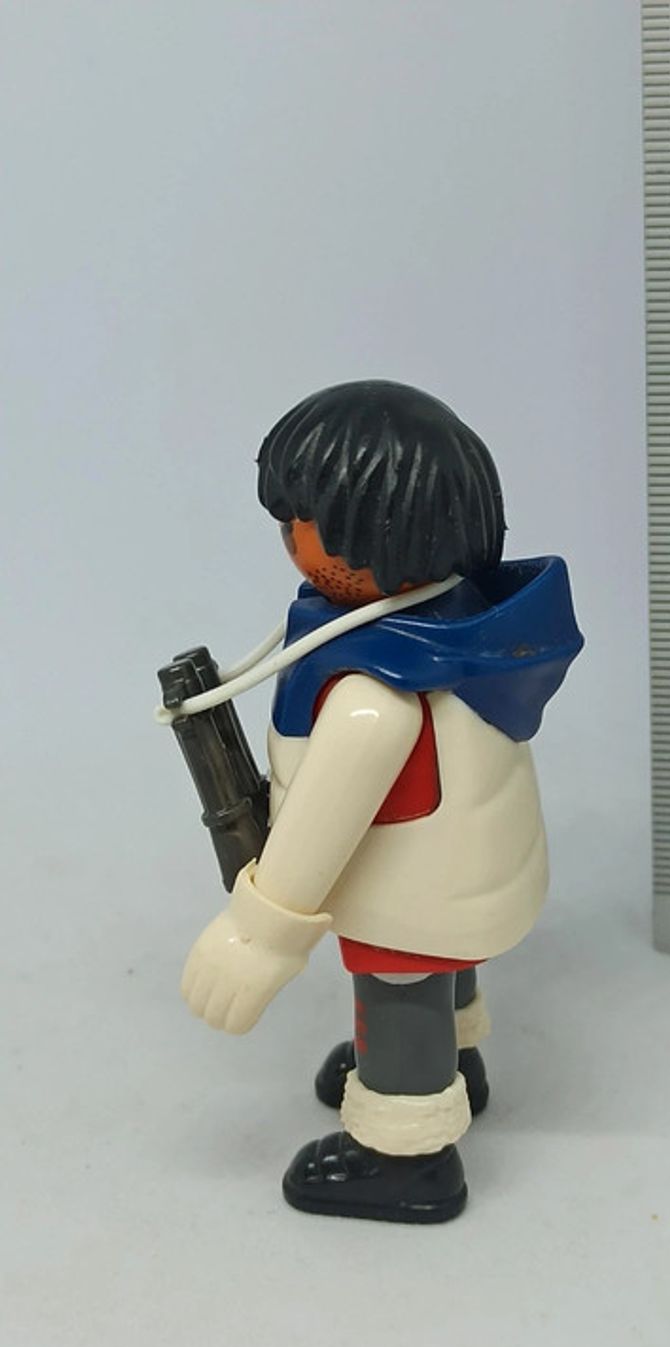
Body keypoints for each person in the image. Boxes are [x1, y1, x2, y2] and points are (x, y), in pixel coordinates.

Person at [181, 379, 583, 1223]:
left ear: (379, 537)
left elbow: (314, 838)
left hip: (412, 896)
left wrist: (255, 939)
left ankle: (406, 1150)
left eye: (302, 520)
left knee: (398, 986)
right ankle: (455, 1056)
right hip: (472, 869)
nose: (289, 535)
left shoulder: (372, 693)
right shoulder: (459, 627)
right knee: (443, 974)